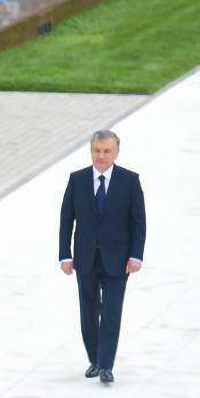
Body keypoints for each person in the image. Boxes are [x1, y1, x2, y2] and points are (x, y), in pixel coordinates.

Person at [58, 130, 146, 384]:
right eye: (97, 150)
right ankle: (95, 359)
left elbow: (138, 222)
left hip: (118, 259)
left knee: (111, 311)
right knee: (88, 310)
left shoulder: (129, 181)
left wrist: (136, 256)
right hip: (85, 257)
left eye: (107, 151)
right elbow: (67, 221)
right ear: (91, 151)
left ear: (116, 152)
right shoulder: (77, 180)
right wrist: (65, 254)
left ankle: (106, 365)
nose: (101, 156)